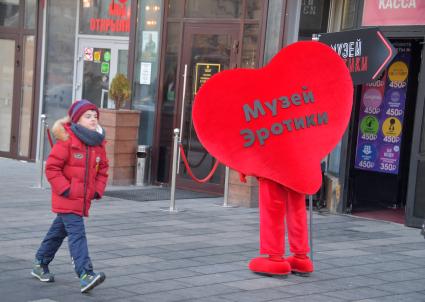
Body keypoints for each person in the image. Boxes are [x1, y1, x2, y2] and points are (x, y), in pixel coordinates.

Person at [31, 99, 109, 293]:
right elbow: (52, 168)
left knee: (58, 232)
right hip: (67, 197)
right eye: (88, 116)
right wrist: (66, 189)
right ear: (76, 120)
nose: (93, 120)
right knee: (77, 234)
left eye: (95, 116)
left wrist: (97, 190)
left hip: (82, 199)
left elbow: (103, 169)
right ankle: (85, 274)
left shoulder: (98, 143)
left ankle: (40, 263)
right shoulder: (67, 140)